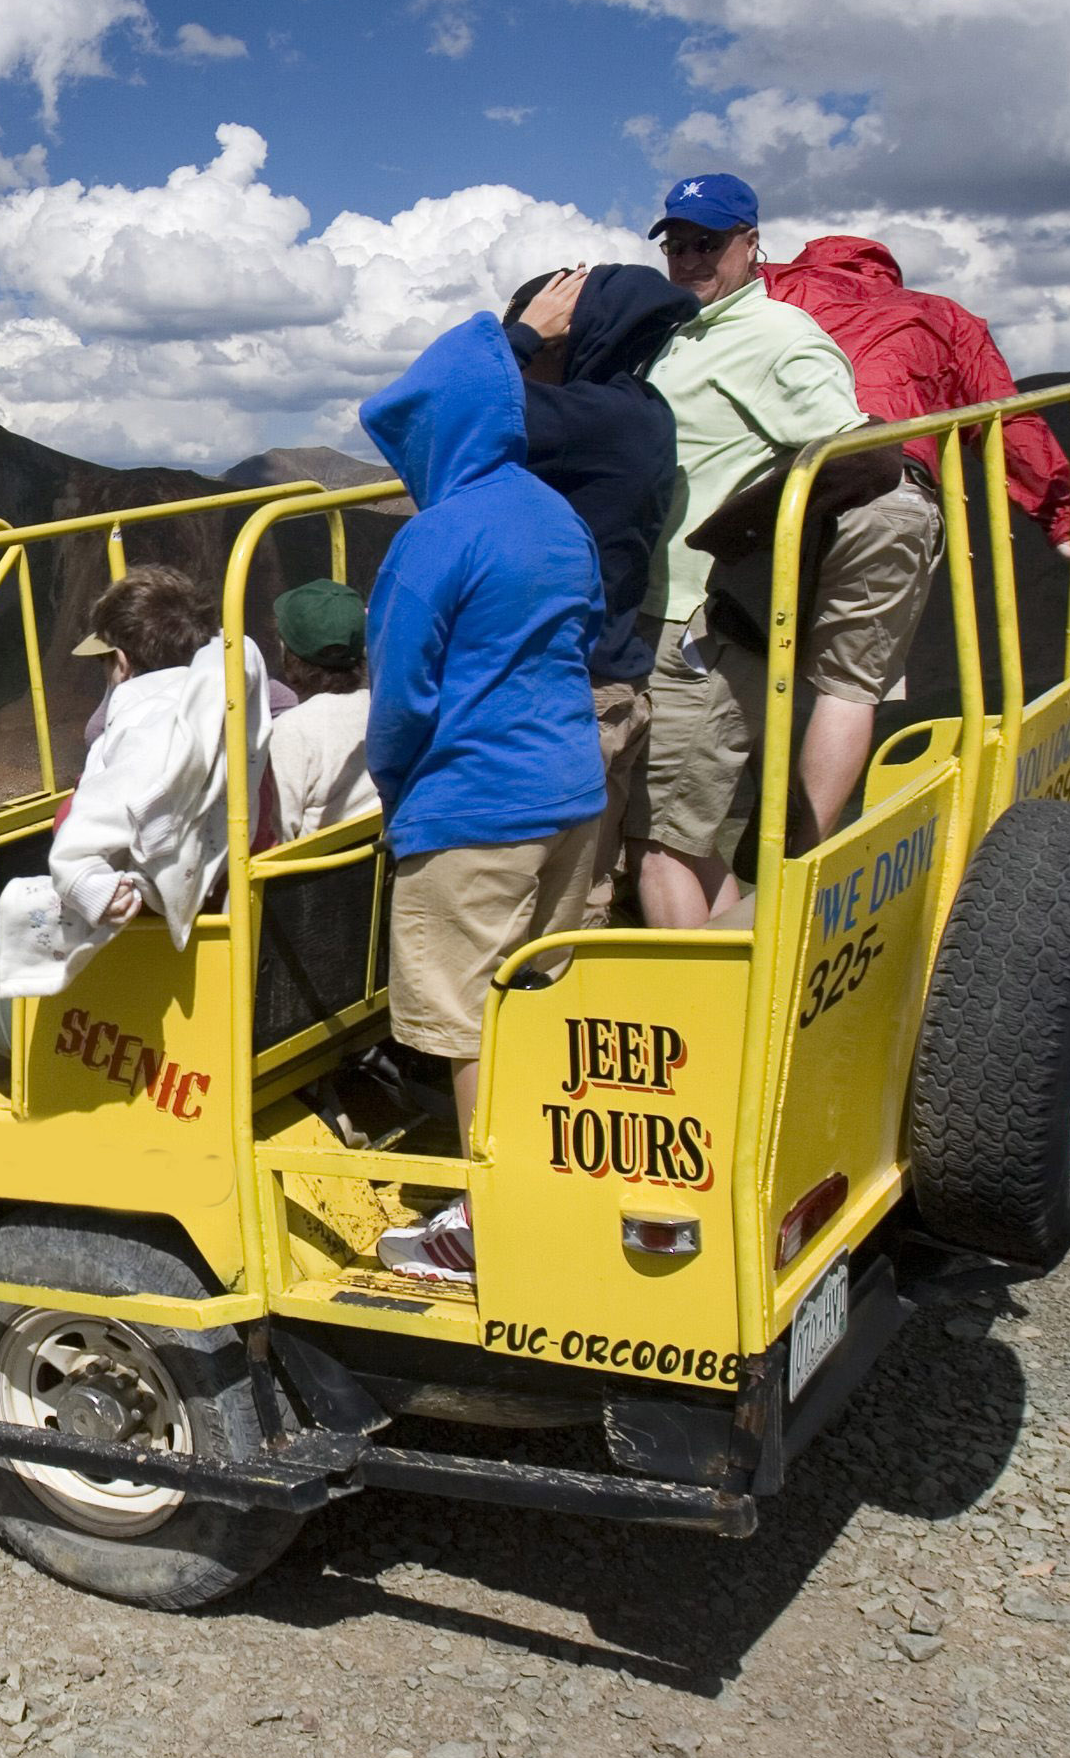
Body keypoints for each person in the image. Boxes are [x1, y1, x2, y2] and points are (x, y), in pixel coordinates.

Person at [354, 315, 606, 1283]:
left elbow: (404, 695)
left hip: (472, 805)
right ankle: (551, 1180)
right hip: (570, 790)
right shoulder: (553, 513)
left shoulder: (435, 536)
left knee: (467, 1024)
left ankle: (491, 1225)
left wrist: (394, 792)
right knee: (538, 1003)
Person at [763, 233, 1070, 842]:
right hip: (889, 489)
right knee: (850, 685)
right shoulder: (942, 315)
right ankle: (801, 852)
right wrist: (1062, 517)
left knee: (739, 663)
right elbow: (1008, 422)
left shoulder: (774, 290)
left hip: (774, 493)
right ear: (888, 276)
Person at [0, 567, 267, 1115]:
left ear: (120, 664)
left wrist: (91, 888)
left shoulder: (146, 734)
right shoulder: (227, 717)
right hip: (215, 943)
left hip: (135, 973)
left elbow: (80, 847)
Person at [636, 173, 868, 929]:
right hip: (658, 615)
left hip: (703, 621)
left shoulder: (781, 339)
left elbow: (857, 458)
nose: (691, 258)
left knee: (660, 843)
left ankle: (690, 1033)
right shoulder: (683, 331)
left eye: (709, 242)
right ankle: (744, 994)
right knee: (688, 836)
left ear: (750, 242)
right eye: (678, 244)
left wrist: (747, 555)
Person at [502, 262, 695, 923]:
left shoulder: (589, 417)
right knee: (578, 892)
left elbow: (428, 405)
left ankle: (547, 1023)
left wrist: (520, 337)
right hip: (606, 687)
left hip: (571, 699)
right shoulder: (638, 408)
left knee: (547, 907)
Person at [265, 578, 375, 837]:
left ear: (286, 651)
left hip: (315, 872)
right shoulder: (386, 710)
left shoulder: (290, 732)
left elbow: (278, 832)